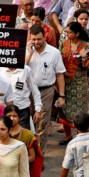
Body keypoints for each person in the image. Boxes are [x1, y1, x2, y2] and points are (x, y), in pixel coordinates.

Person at [25, 25, 66, 155]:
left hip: (46, 91)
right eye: (34, 39)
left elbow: (60, 74)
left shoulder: (54, 53)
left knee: (42, 123)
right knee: (27, 122)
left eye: (39, 39)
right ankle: (27, 153)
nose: (36, 42)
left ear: (45, 37)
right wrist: (30, 54)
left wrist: (61, 95)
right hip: (27, 91)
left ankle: (39, 154)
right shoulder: (25, 50)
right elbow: (20, 69)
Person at [58, 22, 89, 144]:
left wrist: (83, 58)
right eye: (66, 32)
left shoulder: (86, 46)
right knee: (64, 109)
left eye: (70, 32)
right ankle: (68, 136)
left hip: (78, 83)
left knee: (78, 112)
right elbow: (58, 61)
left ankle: (80, 137)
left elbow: (88, 67)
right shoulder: (63, 44)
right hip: (64, 82)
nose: (67, 34)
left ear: (77, 33)